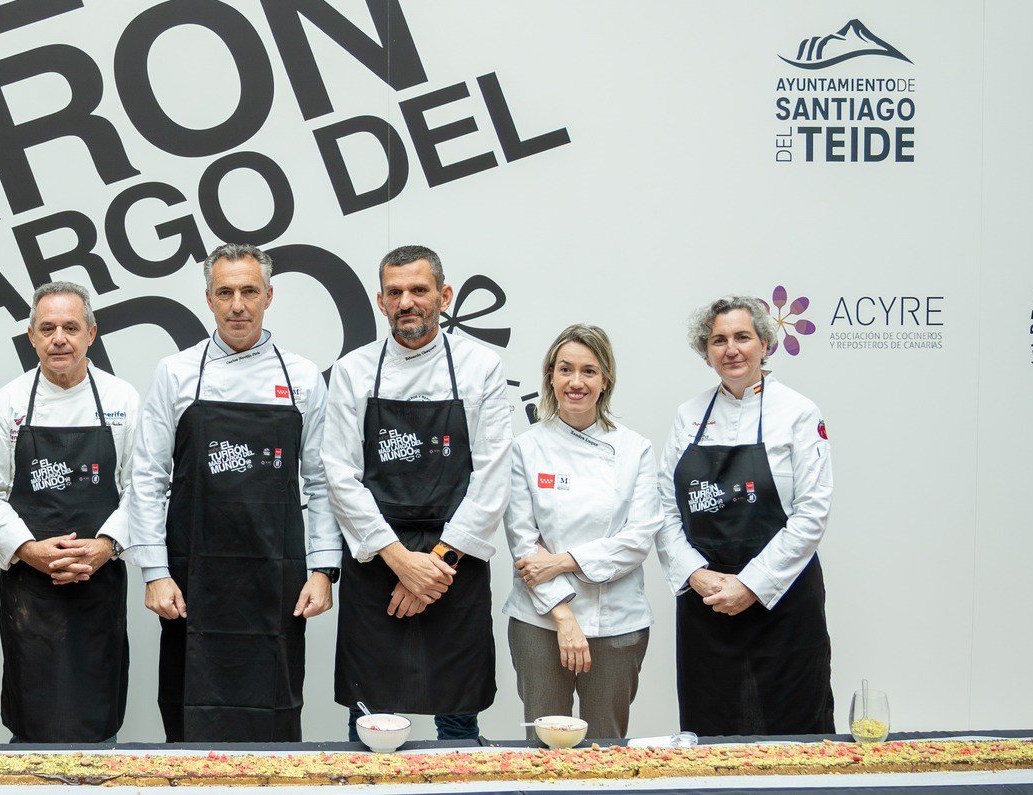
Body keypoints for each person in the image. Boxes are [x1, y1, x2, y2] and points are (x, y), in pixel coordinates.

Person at [126, 242, 341, 742]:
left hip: (276, 580)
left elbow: (321, 482)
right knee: (188, 711)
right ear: (208, 299)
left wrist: (324, 570)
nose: (237, 305)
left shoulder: (303, 376)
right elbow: (148, 478)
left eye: (249, 291)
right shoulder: (176, 373)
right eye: (225, 293)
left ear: (269, 295)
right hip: (192, 579)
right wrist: (155, 573)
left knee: (275, 712)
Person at [324, 244, 513, 742]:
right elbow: (341, 475)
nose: (407, 301)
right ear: (381, 301)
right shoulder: (353, 371)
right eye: (395, 292)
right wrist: (401, 561)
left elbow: (493, 476)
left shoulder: (481, 368)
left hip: (455, 563)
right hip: (377, 564)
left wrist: (434, 564)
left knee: (458, 723)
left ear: (444, 295)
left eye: (419, 290)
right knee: (370, 728)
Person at [0, 281, 139, 743]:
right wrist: (29, 550)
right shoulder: (7, 403)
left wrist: (105, 546)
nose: (59, 338)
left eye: (70, 327)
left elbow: (142, 487)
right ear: (32, 337)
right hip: (31, 590)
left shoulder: (123, 401)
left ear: (92, 334)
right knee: (33, 718)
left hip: (98, 583)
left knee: (98, 720)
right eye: (47, 328)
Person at [656, 295, 834, 736]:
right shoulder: (689, 415)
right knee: (711, 730)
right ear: (706, 351)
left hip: (783, 602)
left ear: (765, 344)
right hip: (708, 604)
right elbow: (662, 507)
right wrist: (696, 575)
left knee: (793, 733)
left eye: (742, 337)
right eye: (719, 340)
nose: (731, 349)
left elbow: (812, 513)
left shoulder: (798, 412)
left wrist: (752, 584)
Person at [503, 324, 660, 739]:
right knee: (544, 745)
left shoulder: (634, 449)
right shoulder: (526, 447)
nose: (576, 382)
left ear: (605, 379)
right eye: (565, 370)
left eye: (589, 371)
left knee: (605, 747)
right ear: (550, 376)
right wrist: (564, 616)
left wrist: (562, 562)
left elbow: (637, 539)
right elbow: (523, 541)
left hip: (616, 623)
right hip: (540, 621)